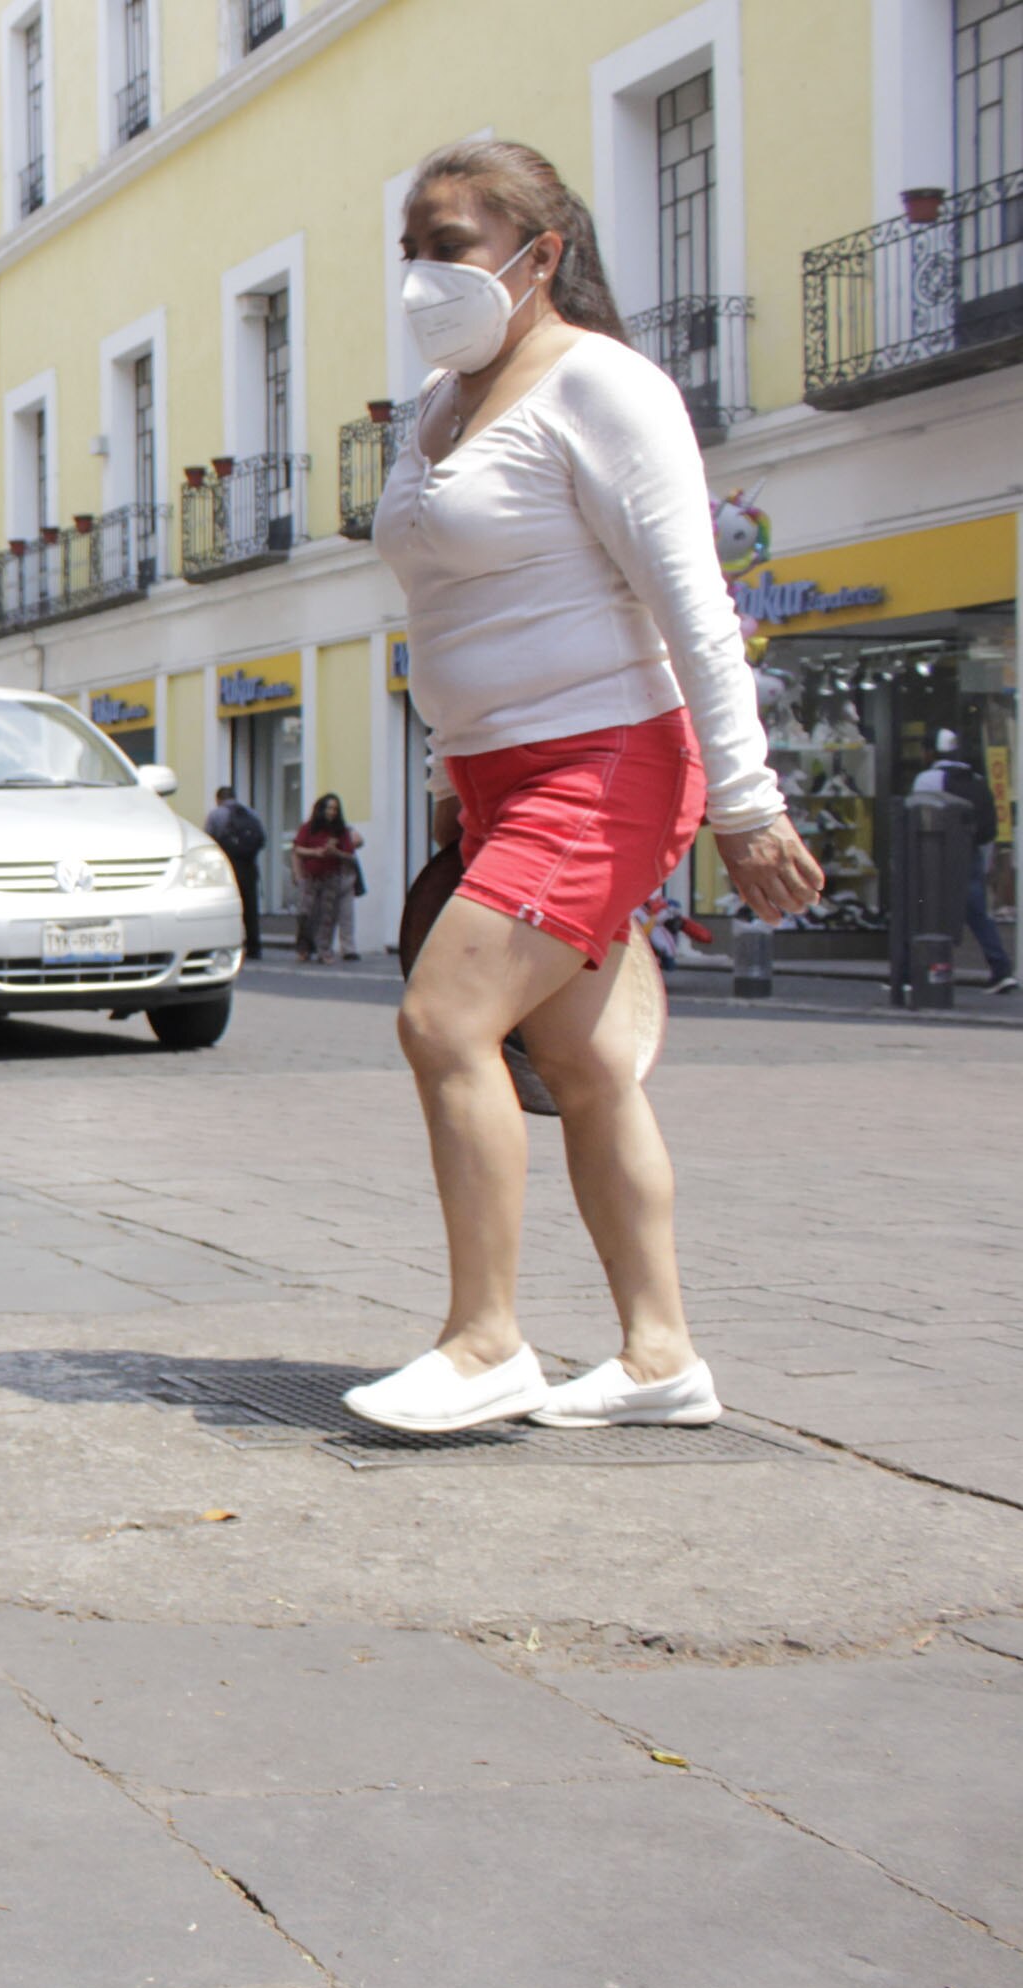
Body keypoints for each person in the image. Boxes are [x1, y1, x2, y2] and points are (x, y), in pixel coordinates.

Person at [350, 139, 823, 1433]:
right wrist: (457, 774)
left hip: (605, 758)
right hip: (503, 775)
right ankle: (662, 1358)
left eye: (450, 244)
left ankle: (484, 1341)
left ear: (538, 254)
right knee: (584, 1062)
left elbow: (694, 606)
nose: (423, 276)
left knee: (445, 1023)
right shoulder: (441, 407)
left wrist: (748, 801)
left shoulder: (604, 385)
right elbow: (463, 608)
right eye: (412, 249)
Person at [914, 728, 1017, 993]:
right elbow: (987, 828)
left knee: (925, 912)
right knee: (979, 915)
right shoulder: (978, 779)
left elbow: (916, 819)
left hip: (937, 855)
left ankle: (921, 972)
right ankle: (1001, 969)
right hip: (970, 854)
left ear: (930, 752)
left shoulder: (928, 779)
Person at [289, 793, 361, 962]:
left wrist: (335, 853)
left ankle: (324, 951)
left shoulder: (341, 830)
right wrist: (316, 852)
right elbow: (298, 849)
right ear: (321, 809)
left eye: (335, 809)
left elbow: (350, 855)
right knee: (306, 914)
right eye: (329, 808)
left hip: (332, 877)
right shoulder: (308, 827)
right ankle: (304, 949)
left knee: (328, 915)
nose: (332, 812)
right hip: (310, 877)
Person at [205, 785, 267, 958]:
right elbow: (262, 838)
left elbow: (209, 839)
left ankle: (229, 946)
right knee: (250, 908)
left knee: (227, 907)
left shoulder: (216, 815)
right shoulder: (251, 813)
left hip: (228, 867)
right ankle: (255, 947)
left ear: (218, 799)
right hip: (249, 866)